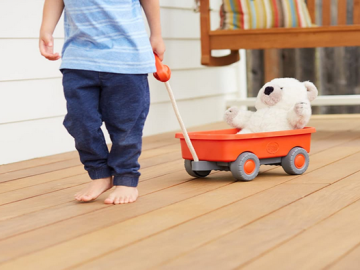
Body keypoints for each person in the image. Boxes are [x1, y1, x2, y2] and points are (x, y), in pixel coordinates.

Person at [39, 0, 165, 204]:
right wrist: (46, 29)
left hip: (127, 61)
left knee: (126, 127)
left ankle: (126, 178)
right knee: (79, 121)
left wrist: (156, 35)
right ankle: (99, 174)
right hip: (78, 61)